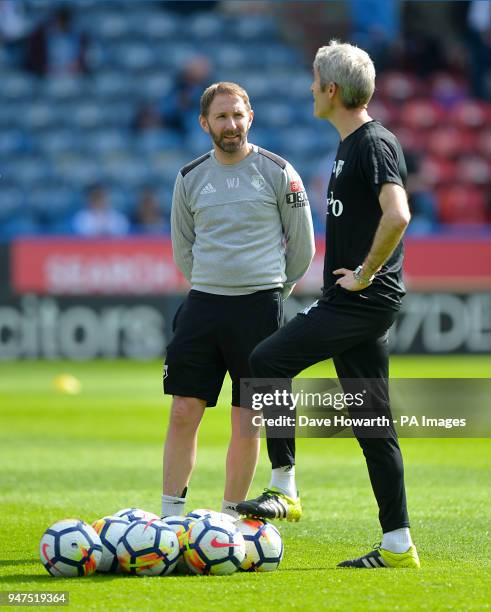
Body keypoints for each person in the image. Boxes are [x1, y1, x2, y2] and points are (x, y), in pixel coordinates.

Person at [237, 41, 420, 569]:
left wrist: (364, 273)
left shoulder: (372, 143)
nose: (309, 90)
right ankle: (397, 544)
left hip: (361, 302)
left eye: (315, 82)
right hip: (362, 302)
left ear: (332, 90)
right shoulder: (351, 145)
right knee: (373, 426)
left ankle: (284, 487)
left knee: (267, 361)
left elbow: (399, 213)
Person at [161, 82, 315, 519]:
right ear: (204, 123)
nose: (231, 124)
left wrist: (272, 288)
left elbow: (302, 246)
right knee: (182, 411)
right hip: (204, 306)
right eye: (221, 116)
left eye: (237, 115)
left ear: (251, 117)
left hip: (259, 307)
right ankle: (171, 518)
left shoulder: (279, 171)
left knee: (247, 417)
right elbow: (182, 248)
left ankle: (229, 520)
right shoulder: (189, 177)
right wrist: (212, 282)